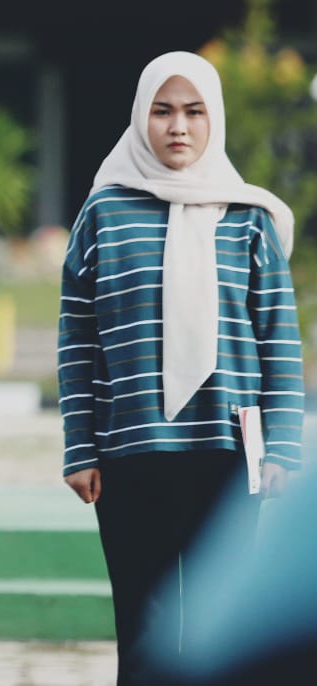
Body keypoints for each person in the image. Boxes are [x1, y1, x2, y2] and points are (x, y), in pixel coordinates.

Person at [56, 51, 302, 685]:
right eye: (162, 111)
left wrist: (283, 448)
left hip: (228, 454)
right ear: (141, 118)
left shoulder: (249, 219)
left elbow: (279, 340)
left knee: (223, 629)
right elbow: (77, 340)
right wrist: (79, 447)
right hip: (130, 452)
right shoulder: (103, 215)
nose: (178, 127)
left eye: (194, 112)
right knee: (144, 625)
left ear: (213, 119)